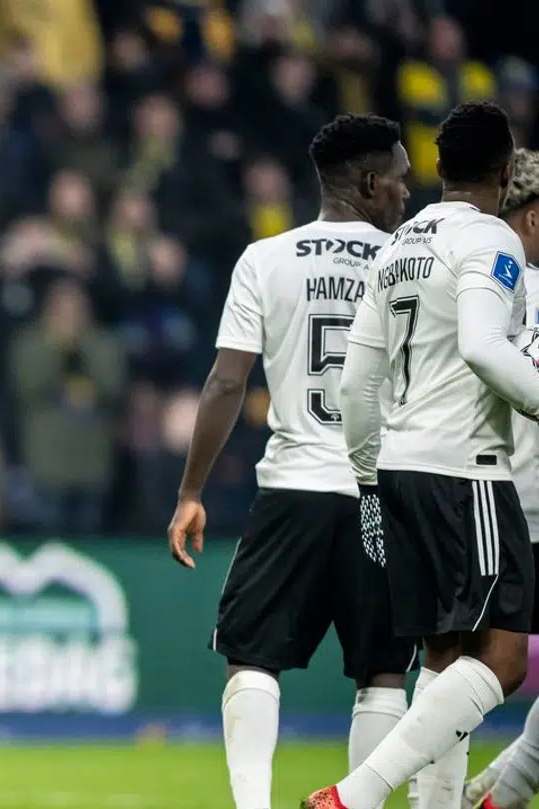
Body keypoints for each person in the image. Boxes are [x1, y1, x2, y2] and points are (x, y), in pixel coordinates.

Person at [167, 114, 416, 809]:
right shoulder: (410, 263)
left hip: (295, 488)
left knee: (252, 656)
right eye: (397, 180)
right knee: (384, 670)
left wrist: (191, 488)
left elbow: (225, 381)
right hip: (382, 491)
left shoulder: (265, 258)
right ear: (368, 183)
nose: (405, 193)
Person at [308, 101, 534, 809]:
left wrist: (371, 475)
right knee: (500, 662)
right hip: (465, 469)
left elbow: (356, 380)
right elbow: (481, 346)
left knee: (443, 659)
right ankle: (356, 792)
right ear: (505, 170)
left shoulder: (398, 245)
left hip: (400, 468)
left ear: (439, 168)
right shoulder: (492, 241)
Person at [463, 147, 539, 809]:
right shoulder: (517, 280)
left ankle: (493, 791)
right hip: (518, 501)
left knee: (456, 659)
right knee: (489, 665)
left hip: (481, 493)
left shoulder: (470, 275)